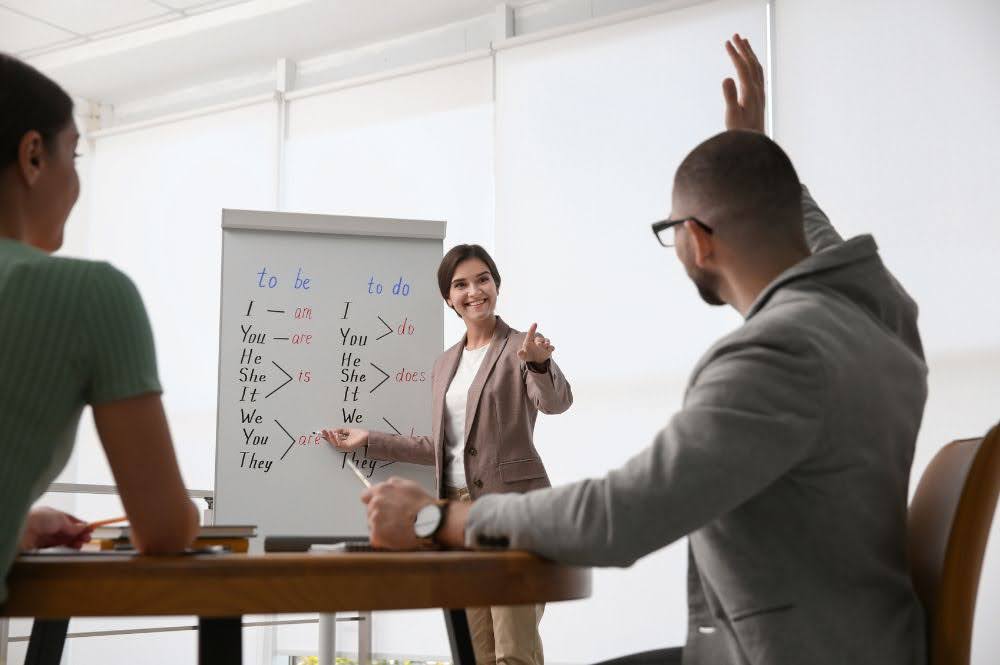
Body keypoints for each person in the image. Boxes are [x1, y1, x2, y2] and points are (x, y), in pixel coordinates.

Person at [355, 35, 927, 665]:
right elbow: (813, 241)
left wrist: (439, 523)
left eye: (670, 231)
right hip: (866, 638)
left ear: (699, 241)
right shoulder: (879, 308)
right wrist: (754, 156)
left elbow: (617, 515)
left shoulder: (772, 358)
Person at [0, 53, 199, 603]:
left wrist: (16, 526)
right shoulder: (89, 294)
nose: (76, 181)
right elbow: (161, 529)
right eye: (75, 153)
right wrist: (189, 513)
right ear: (33, 156)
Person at [322, 243, 572, 665]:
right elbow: (441, 448)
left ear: (496, 285)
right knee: (474, 650)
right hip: (456, 519)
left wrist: (539, 365)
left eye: (482, 280)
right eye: (461, 285)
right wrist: (369, 438)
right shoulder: (444, 365)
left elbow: (555, 403)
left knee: (514, 648)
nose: (474, 291)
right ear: (448, 298)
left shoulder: (521, 348)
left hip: (512, 512)